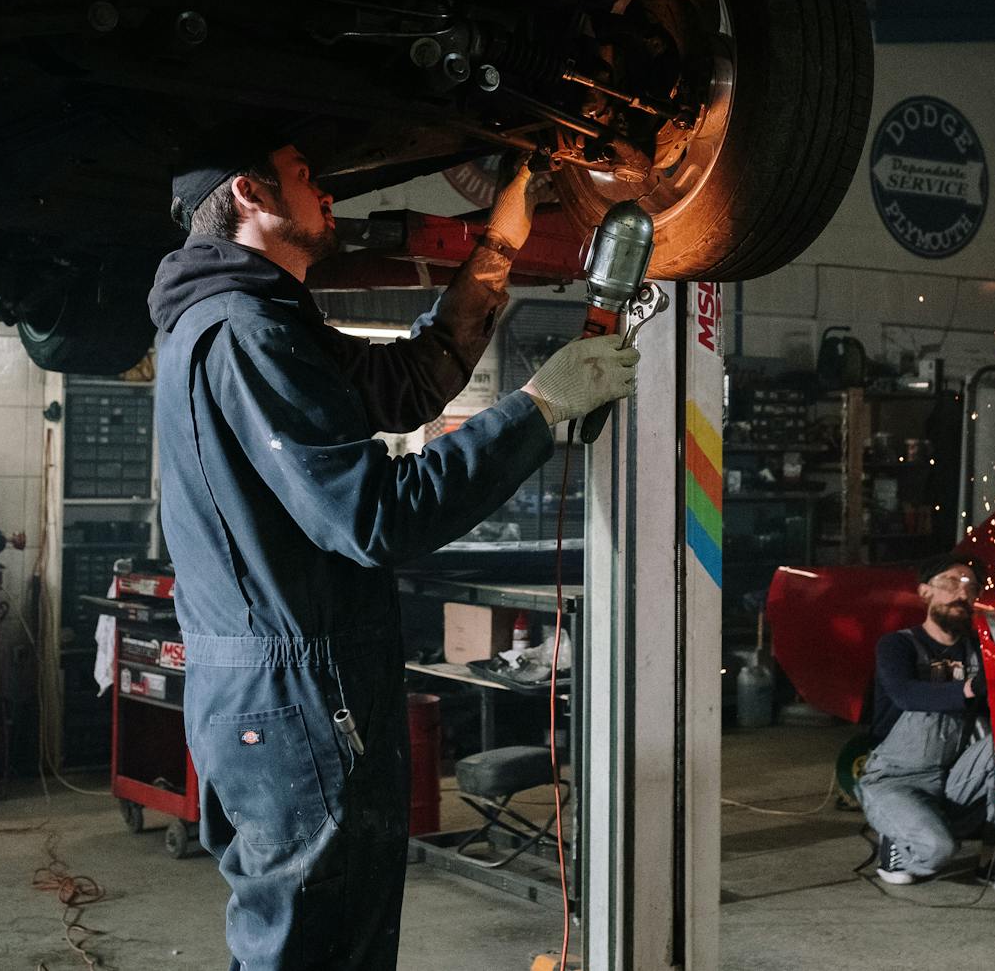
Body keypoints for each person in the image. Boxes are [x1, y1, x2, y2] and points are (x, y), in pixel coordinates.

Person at [149, 141, 638, 970]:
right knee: (320, 950)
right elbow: (375, 516)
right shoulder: (244, 330)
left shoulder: (254, 320)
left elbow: (405, 381)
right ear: (249, 193)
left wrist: (498, 245)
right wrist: (535, 409)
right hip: (295, 696)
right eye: (307, 176)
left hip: (278, 691)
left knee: (318, 946)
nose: (327, 188)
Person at [858, 554, 995, 896]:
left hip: (954, 778)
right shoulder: (897, 645)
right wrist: (969, 688)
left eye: (970, 587)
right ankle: (896, 841)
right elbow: (906, 695)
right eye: (951, 583)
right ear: (925, 593)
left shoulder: (979, 651)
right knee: (938, 851)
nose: (961, 594)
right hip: (896, 780)